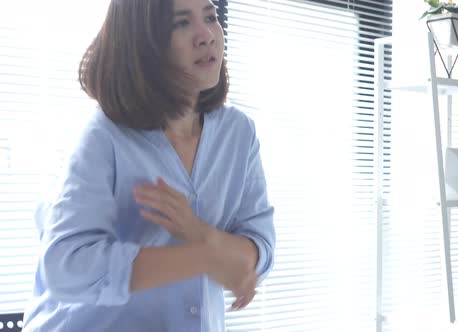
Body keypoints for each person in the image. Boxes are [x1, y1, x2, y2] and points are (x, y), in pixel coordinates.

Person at [23, 0, 275, 330]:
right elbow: (67, 267)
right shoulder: (103, 136)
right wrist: (206, 256)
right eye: (181, 23)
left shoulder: (239, 133)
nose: (206, 35)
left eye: (210, 17)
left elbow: (258, 251)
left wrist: (200, 234)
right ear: (144, 44)